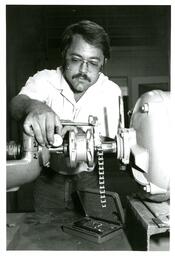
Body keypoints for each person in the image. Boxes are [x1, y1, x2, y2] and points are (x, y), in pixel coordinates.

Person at [10, 20, 121, 215]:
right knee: (45, 233)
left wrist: (78, 136)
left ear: (104, 62)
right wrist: (34, 106)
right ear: (64, 55)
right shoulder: (45, 79)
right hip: (48, 178)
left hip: (88, 177)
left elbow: (110, 139)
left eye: (93, 63)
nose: (84, 70)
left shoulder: (111, 92)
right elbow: (16, 104)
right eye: (76, 59)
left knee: (93, 233)